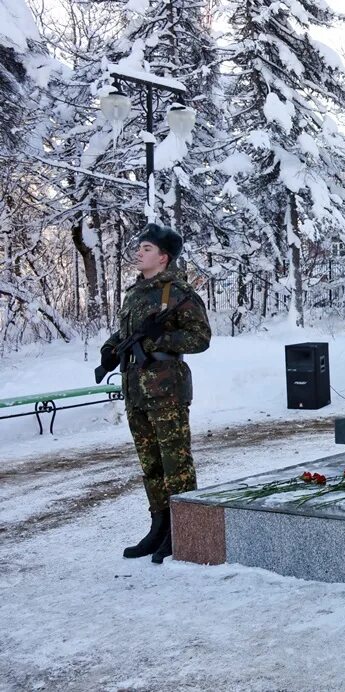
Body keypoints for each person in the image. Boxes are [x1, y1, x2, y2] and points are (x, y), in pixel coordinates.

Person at [100, 223, 211, 564]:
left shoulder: (178, 294)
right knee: (150, 464)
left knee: (175, 462)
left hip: (166, 388)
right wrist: (110, 348)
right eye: (140, 248)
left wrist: (157, 340)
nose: (139, 252)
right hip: (135, 388)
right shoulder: (134, 294)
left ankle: (182, 530)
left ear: (163, 258)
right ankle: (158, 526)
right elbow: (124, 334)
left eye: (146, 249)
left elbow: (200, 338)